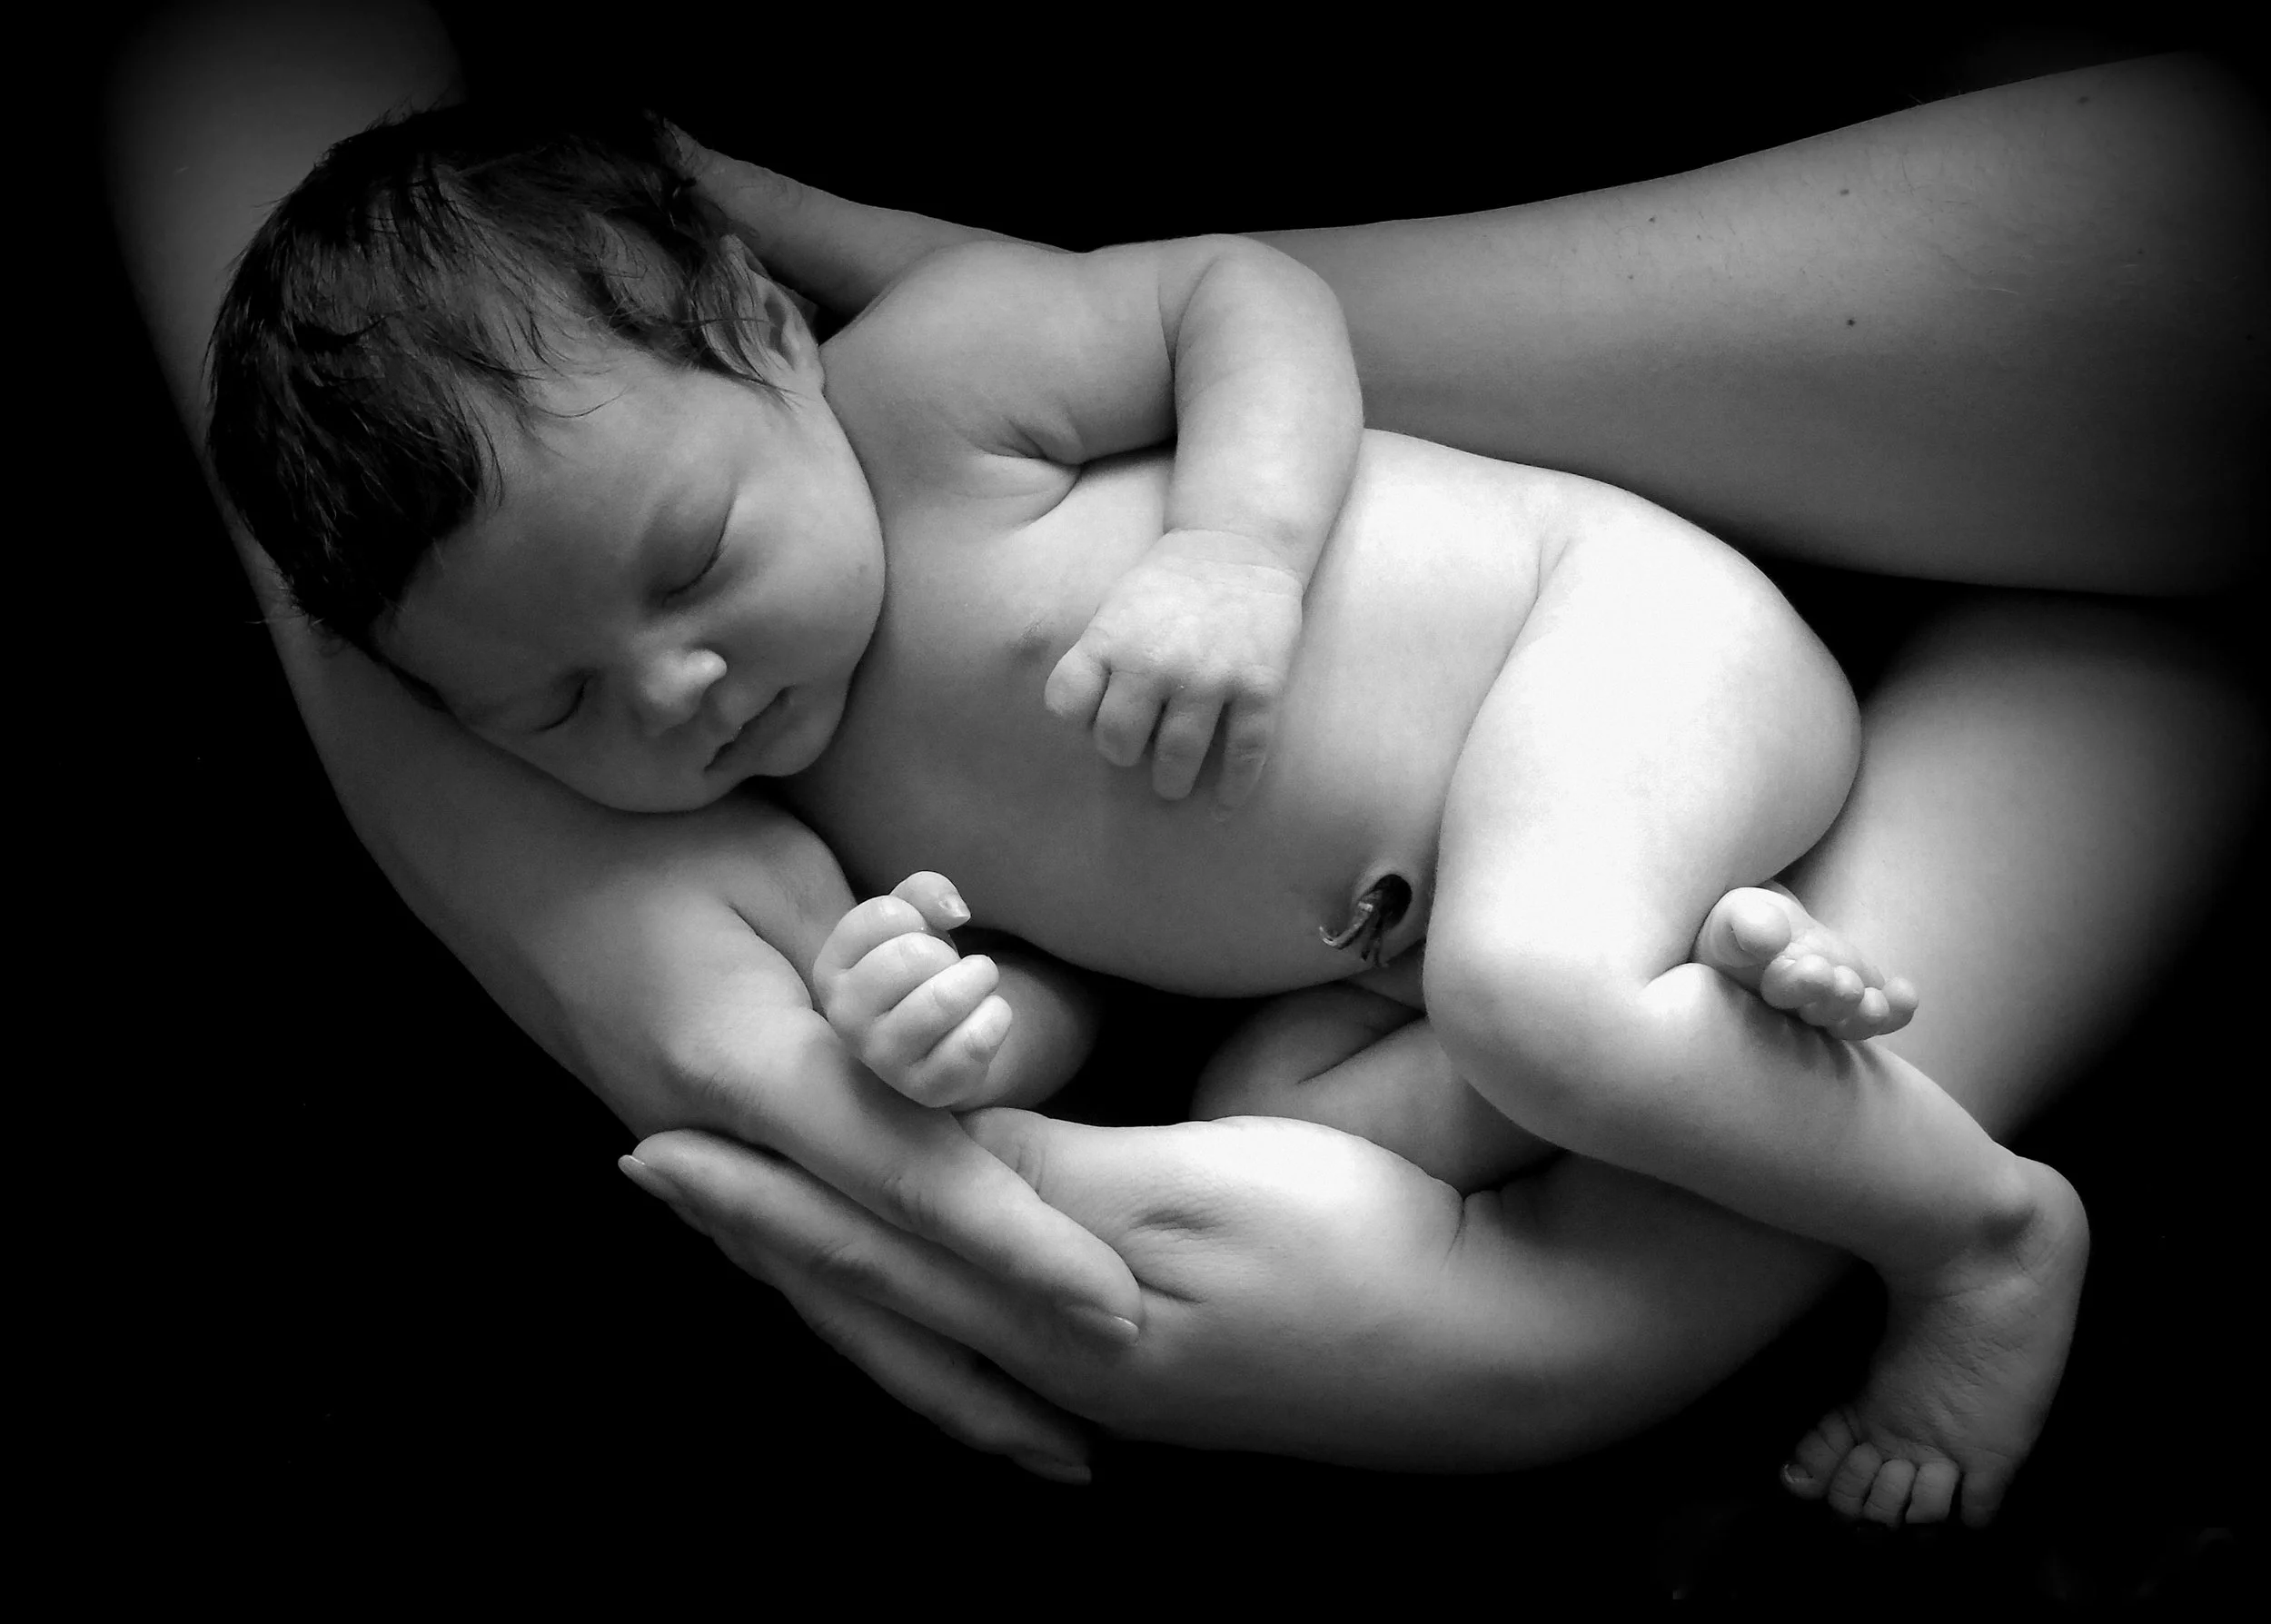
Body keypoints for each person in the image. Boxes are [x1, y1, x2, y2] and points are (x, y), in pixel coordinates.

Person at [105, 0, 2265, 1531]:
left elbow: (1229, 293)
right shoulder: (781, 793)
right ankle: (1721, 1000)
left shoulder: (930, 396)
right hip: (1412, 904)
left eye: (691, 561)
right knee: (1281, 1118)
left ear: (766, 331)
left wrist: (1238, 547)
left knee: (1520, 994)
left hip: (1590, 647)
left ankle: (1975, 1237)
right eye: (554, 709)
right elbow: (1072, 969)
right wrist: (950, 1024)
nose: (670, 691)